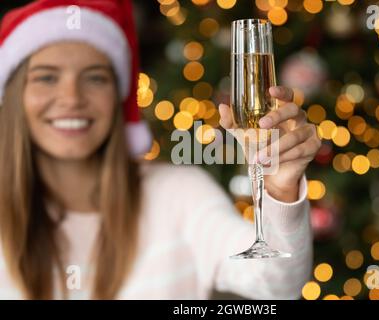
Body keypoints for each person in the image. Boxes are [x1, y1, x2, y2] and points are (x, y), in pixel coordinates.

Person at [0, 0, 321, 299]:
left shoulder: (178, 193)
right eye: (46, 78)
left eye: (95, 78)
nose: (71, 98)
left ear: (118, 97)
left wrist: (281, 190)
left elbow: (278, 284)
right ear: (14, 98)